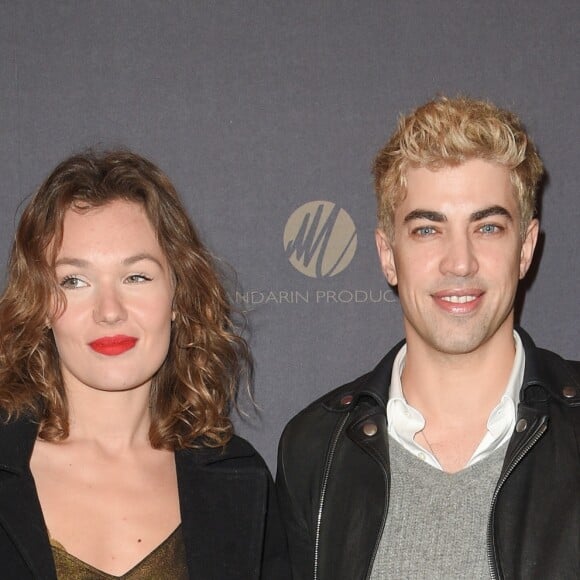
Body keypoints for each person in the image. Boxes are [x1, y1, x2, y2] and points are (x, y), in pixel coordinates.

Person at [276, 96, 579, 579]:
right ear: (387, 255)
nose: (460, 262)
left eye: (488, 227)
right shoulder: (315, 449)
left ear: (525, 248)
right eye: (426, 230)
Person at [0, 150, 289, 579]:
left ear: (177, 295)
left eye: (136, 276)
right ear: (40, 303)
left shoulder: (239, 481)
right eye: (75, 281)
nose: (110, 310)